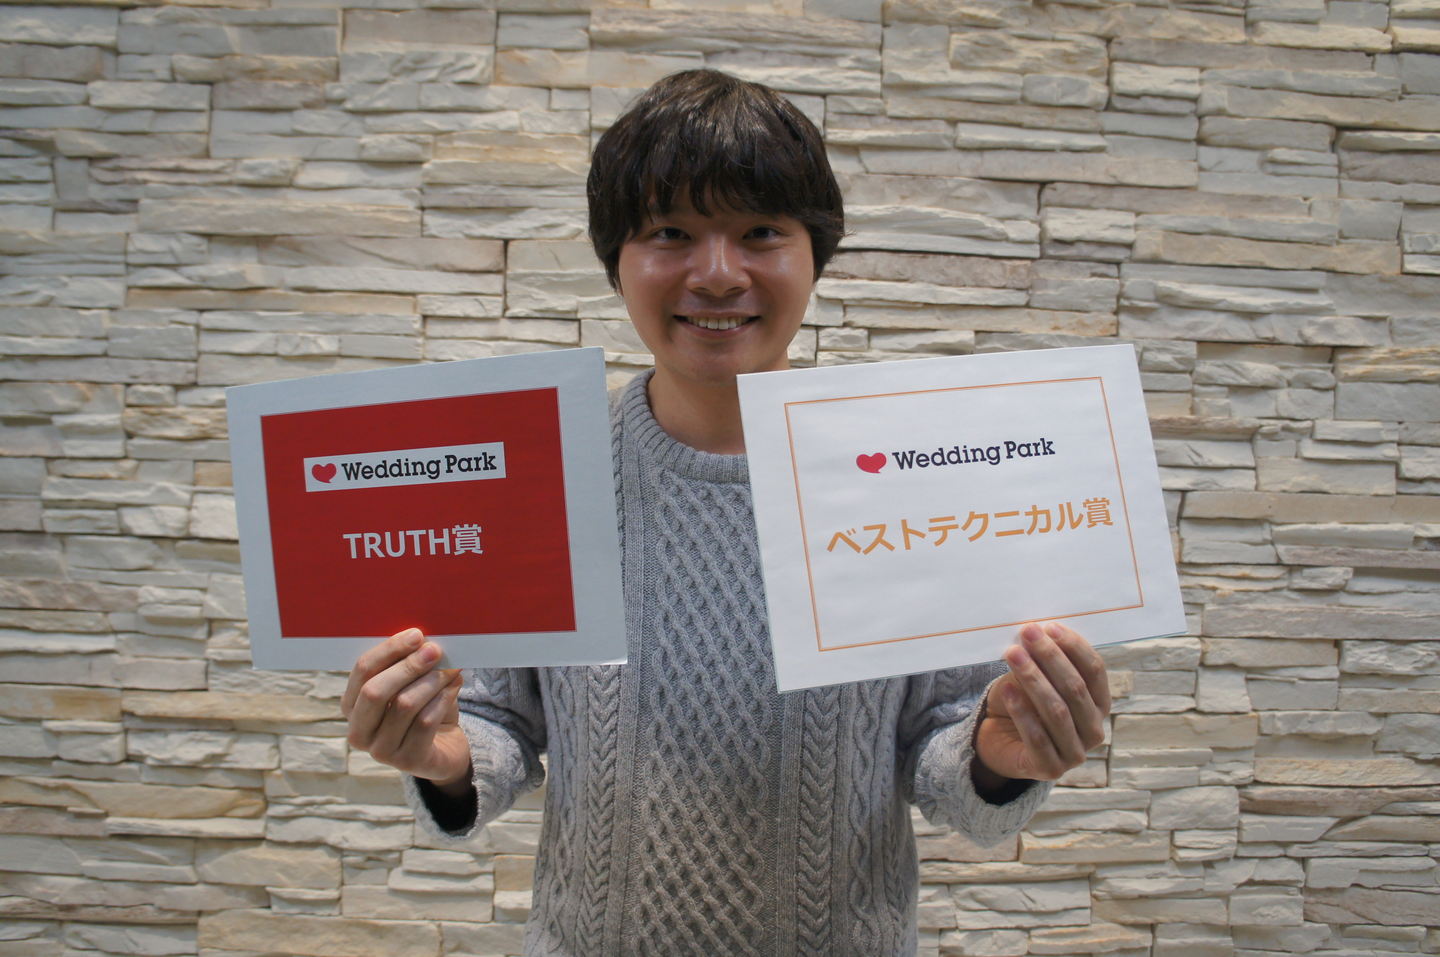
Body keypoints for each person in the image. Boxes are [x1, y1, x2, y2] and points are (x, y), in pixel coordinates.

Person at [340, 69, 1110, 956]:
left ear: (815, 255)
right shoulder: (549, 471)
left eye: (760, 232)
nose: (716, 274)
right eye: (671, 232)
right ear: (617, 259)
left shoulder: (904, 473)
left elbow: (943, 739)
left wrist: (996, 752)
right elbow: (498, 718)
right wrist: (444, 758)